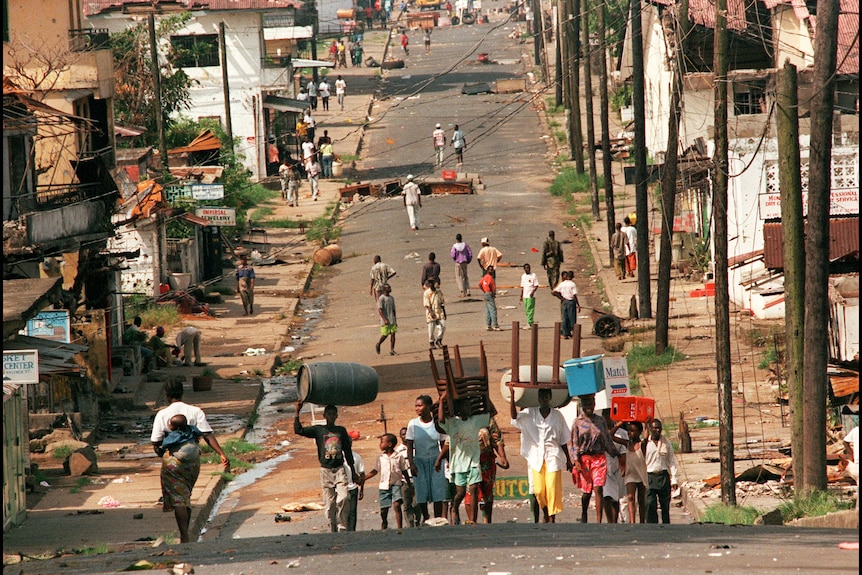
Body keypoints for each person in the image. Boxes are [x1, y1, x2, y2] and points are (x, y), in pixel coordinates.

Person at [151, 377, 229, 543]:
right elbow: (207, 434)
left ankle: (184, 535)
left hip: (173, 461)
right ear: (181, 392)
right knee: (186, 494)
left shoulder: (162, 414)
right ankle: (186, 533)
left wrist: (164, 455)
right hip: (193, 460)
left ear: (166, 394)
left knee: (179, 499)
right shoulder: (195, 411)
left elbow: (156, 441)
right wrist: (221, 454)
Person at [510, 387, 572, 523]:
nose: (544, 399)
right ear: (538, 398)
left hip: (553, 456)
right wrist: (512, 397)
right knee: (538, 490)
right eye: (541, 396)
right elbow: (515, 417)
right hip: (535, 457)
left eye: (546, 396)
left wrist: (568, 459)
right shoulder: (530, 413)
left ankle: (552, 517)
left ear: (550, 398)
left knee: (551, 488)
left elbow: (562, 439)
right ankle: (545, 512)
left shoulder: (557, 416)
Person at [294, 401, 357, 532]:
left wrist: (353, 470)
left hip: (339, 469)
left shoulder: (341, 431)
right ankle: (332, 528)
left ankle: (342, 527)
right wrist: (297, 411)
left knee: (344, 497)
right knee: (330, 504)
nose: (331, 416)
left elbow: (347, 451)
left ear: (336, 416)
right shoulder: (318, 430)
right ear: (324, 415)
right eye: (329, 414)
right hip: (326, 471)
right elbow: (298, 430)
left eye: (334, 414)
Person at [435, 392, 489, 525]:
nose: (468, 408)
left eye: (470, 406)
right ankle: (454, 507)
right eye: (465, 406)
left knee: (474, 489)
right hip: (458, 464)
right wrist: (441, 400)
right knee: (460, 493)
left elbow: (491, 413)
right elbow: (440, 419)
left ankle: (473, 520)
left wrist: (486, 396)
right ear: (460, 409)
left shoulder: (475, 421)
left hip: (473, 462)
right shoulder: (453, 423)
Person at [570, 393, 618, 523]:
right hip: (584, 459)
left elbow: (607, 440)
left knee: (598, 488)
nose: (588, 407)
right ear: (582, 406)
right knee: (587, 492)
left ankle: (598, 520)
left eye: (591, 404)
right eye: (586, 405)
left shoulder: (601, 421)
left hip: (599, 458)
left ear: (594, 404)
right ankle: (584, 512)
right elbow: (574, 443)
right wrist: (575, 461)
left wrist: (617, 455)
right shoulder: (577, 422)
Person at [405, 395, 448, 522]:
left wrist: (445, 461)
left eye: (420, 405)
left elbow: (443, 444)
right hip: (419, 461)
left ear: (428, 406)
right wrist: (411, 464)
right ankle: (426, 517)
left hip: (436, 460)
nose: (417, 408)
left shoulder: (437, 423)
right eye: (416, 406)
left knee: (437, 490)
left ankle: (437, 518)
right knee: (421, 490)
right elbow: (409, 445)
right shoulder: (413, 424)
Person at [364, 432, 411, 529]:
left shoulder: (398, 456)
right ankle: (384, 522)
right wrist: (364, 478)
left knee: (397, 505)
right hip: (384, 486)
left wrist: (409, 484)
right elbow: (375, 471)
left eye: (382, 442)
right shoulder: (380, 458)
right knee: (384, 509)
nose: (380, 444)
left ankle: (399, 527)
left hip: (396, 484)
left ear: (389, 444)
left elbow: (404, 471)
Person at [471, 415, 508, 523]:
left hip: (486, 459)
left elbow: (496, 438)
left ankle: (487, 521)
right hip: (469, 459)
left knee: (487, 492)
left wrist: (503, 457)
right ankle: (472, 521)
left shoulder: (487, 418)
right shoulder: (461, 418)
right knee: (471, 491)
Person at [644, 418, 678, 524]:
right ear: (650, 429)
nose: (657, 430)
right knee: (650, 504)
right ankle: (652, 527)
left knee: (665, 505)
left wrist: (674, 479)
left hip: (663, 475)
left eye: (659, 428)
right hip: (649, 476)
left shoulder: (666, 442)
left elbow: (671, 460)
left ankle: (666, 527)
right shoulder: (645, 443)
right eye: (654, 428)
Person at [601, 410, 628, 524]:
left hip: (617, 466)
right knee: (606, 495)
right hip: (604, 465)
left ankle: (614, 520)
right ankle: (609, 520)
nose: (608, 418)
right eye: (605, 415)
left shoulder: (621, 433)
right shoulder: (599, 431)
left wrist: (623, 464)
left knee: (615, 497)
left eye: (610, 415)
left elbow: (624, 450)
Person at [396, 427, 422, 527]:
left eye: (407, 434)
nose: (405, 436)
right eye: (403, 434)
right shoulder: (398, 451)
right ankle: (410, 525)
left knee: (417, 503)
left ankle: (417, 521)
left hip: (417, 479)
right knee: (407, 504)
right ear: (400, 436)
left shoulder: (417, 448)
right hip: (404, 481)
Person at [341, 431, 365, 532]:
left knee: (352, 512)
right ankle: (343, 529)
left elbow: (362, 473)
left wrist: (362, 490)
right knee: (342, 511)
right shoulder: (339, 457)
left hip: (353, 488)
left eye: (350, 442)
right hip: (341, 488)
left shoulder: (356, 457)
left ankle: (352, 532)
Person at [624, 421, 648, 523]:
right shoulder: (627, 443)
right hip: (630, 474)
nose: (630, 433)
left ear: (639, 432)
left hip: (641, 474)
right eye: (628, 431)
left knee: (641, 500)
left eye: (633, 431)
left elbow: (646, 438)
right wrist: (619, 423)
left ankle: (642, 521)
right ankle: (632, 522)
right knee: (630, 497)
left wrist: (646, 423)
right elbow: (611, 436)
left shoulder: (641, 445)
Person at [552, 271, 580, 339]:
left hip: (564, 302)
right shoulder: (572, 284)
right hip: (571, 302)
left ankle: (565, 334)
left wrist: (561, 298)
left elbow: (554, 291)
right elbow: (574, 295)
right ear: (572, 277)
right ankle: (574, 333)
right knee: (572, 318)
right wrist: (578, 304)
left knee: (565, 318)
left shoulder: (562, 284)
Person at [423, 279, 446, 349]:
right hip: (431, 313)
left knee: (443, 326)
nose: (432, 285)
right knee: (431, 329)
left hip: (439, 312)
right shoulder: (426, 293)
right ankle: (431, 342)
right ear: (428, 285)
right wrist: (431, 312)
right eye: (430, 284)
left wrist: (445, 312)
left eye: (433, 283)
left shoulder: (439, 292)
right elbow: (427, 305)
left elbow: (442, 303)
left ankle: (439, 340)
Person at [375, 283, 398, 356]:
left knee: (393, 334)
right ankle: (378, 344)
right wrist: (384, 319)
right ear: (385, 289)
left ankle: (392, 349)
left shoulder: (391, 298)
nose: (390, 289)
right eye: (389, 288)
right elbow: (380, 310)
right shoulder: (382, 298)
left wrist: (395, 320)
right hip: (385, 320)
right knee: (385, 334)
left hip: (392, 319)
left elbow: (394, 310)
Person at [478, 265, 502, 331]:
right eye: (490, 270)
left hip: (486, 294)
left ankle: (488, 325)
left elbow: (480, 284)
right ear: (487, 270)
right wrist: (491, 292)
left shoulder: (484, 277)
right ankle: (495, 325)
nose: (491, 271)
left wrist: (484, 291)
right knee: (493, 310)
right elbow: (489, 284)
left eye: (492, 270)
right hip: (489, 293)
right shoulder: (489, 277)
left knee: (488, 310)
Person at [450, 233, 472, 298]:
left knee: (459, 277)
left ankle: (462, 291)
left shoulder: (455, 246)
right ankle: (468, 291)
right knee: (465, 276)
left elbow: (452, 255)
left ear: (456, 239)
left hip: (458, 263)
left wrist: (455, 259)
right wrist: (468, 260)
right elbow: (470, 253)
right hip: (465, 262)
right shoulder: (465, 245)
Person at [842, 425, 859, 509]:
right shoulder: (856, 430)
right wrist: (851, 454)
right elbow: (845, 442)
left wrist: (851, 454)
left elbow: (845, 442)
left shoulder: (855, 430)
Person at [519, 263, 539, 327]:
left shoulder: (533, 275)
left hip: (531, 295)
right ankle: (529, 321)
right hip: (525, 295)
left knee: (530, 309)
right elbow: (522, 287)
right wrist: (521, 296)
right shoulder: (523, 276)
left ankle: (529, 322)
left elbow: (536, 285)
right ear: (524, 269)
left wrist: (533, 292)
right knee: (527, 309)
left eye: (528, 268)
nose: (527, 269)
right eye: (526, 268)